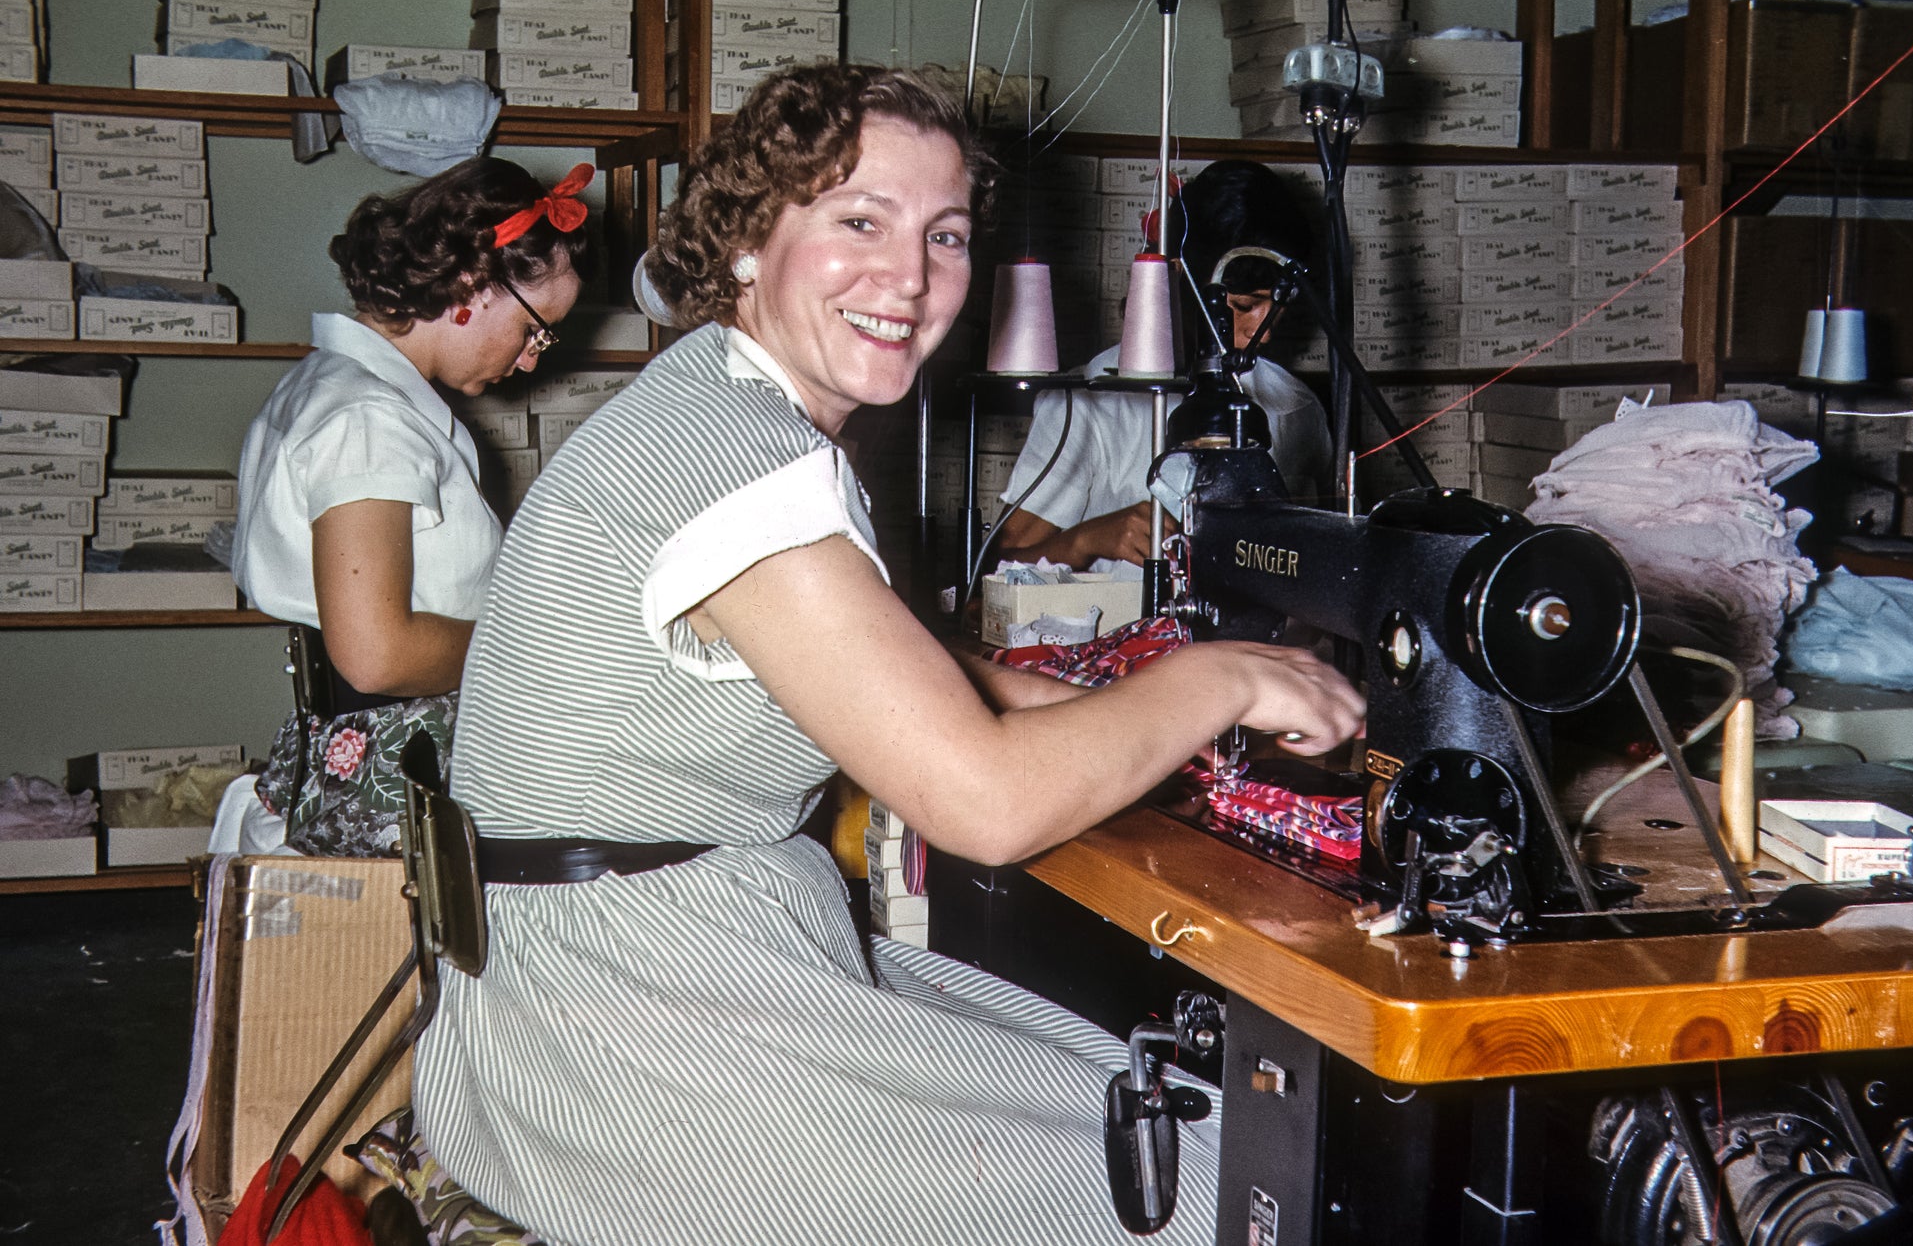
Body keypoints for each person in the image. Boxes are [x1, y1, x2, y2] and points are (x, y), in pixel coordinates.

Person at [412, 63, 1364, 1245]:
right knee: (1219, 1184)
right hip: (625, 1029)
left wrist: (1091, 706)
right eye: (860, 221)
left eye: (944, 236)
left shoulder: (710, 396)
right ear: (747, 241)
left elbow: (873, 671)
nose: (909, 276)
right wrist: (1222, 677)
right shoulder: (744, 466)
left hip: (620, 962)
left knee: (1144, 1084)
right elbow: (987, 803)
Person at [230, 157, 590, 856]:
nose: (530, 360)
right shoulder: (368, 419)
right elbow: (377, 653)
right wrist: (535, 644)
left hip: (365, 742)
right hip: (396, 765)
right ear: (474, 286)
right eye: (535, 331)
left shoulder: (337, 385)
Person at [995, 160, 1331, 567]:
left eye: (1276, 311)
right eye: (1244, 306)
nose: (1263, 335)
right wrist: (1086, 540)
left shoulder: (1296, 407)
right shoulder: (1086, 403)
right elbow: (1001, 565)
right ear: (1181, 278)